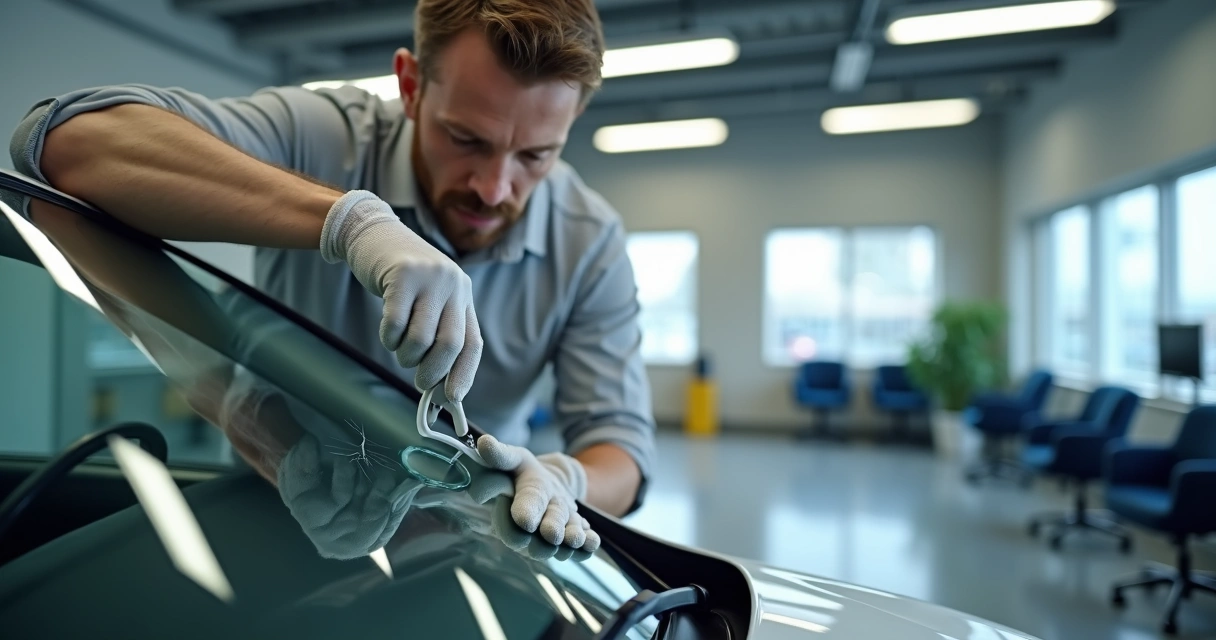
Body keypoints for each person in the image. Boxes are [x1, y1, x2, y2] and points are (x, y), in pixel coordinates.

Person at [8, 0, 654, 548]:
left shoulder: (589, 240)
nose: (493, 188)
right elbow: (60, 144)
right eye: (466, 139)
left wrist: (562, 481)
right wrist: (351, 222)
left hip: (471, 553)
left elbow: (621, 451)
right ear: (410, 86)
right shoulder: (325, 138)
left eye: (536, 155)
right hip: (270, 517)